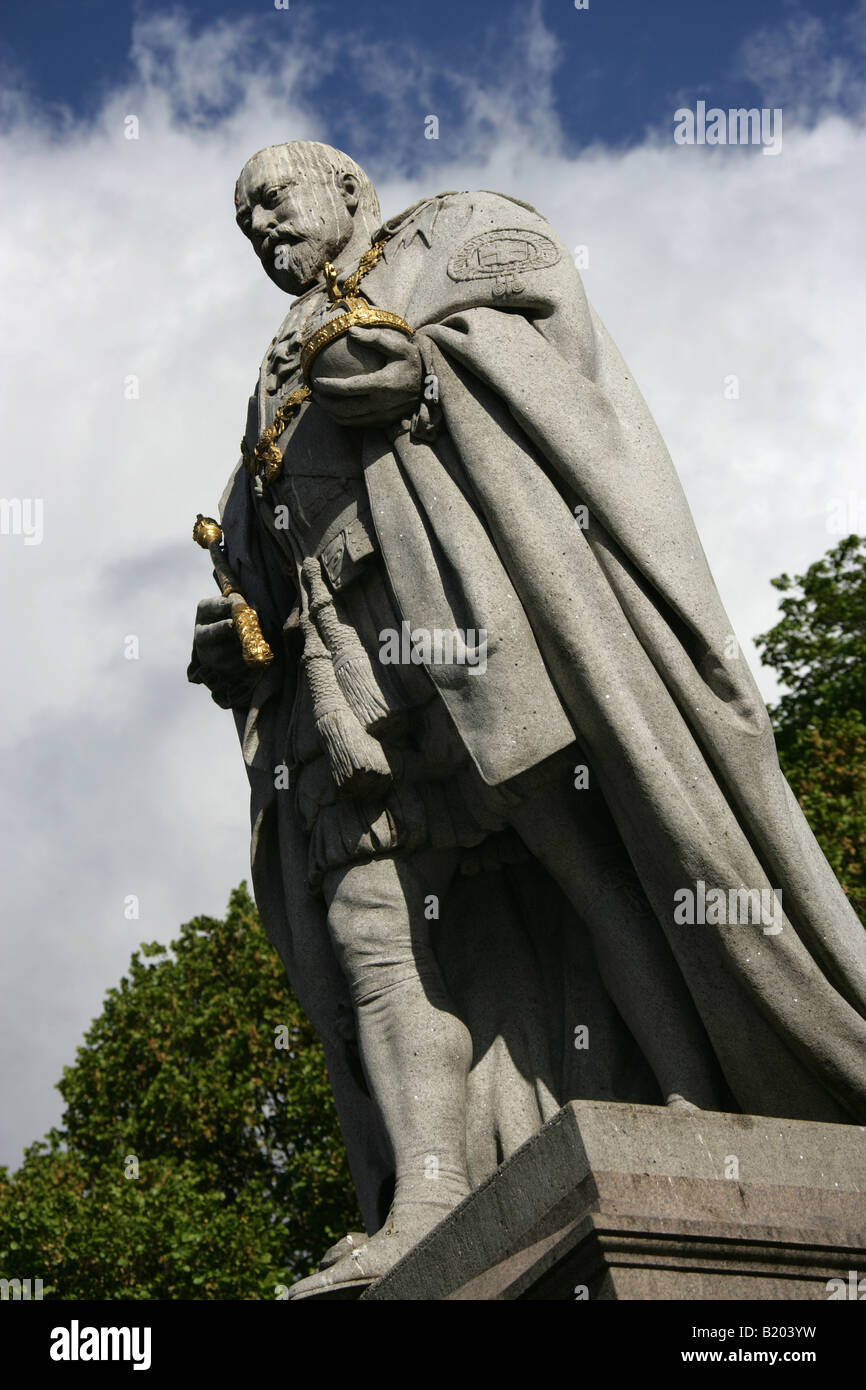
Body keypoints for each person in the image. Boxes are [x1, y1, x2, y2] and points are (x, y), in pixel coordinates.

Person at [189, 141, 866, 1298]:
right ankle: (429, 1192)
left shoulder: (450, 235)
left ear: (347, 190)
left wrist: (431, 373)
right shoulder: (269, 369)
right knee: (372, 925)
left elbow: (554, 342)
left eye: (272, 200)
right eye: (243, 219)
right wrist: (236, 633)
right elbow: (264, 532)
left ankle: (685, 1080)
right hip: (341, 676)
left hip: (467, 617)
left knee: (586, 858)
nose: (260, 227)